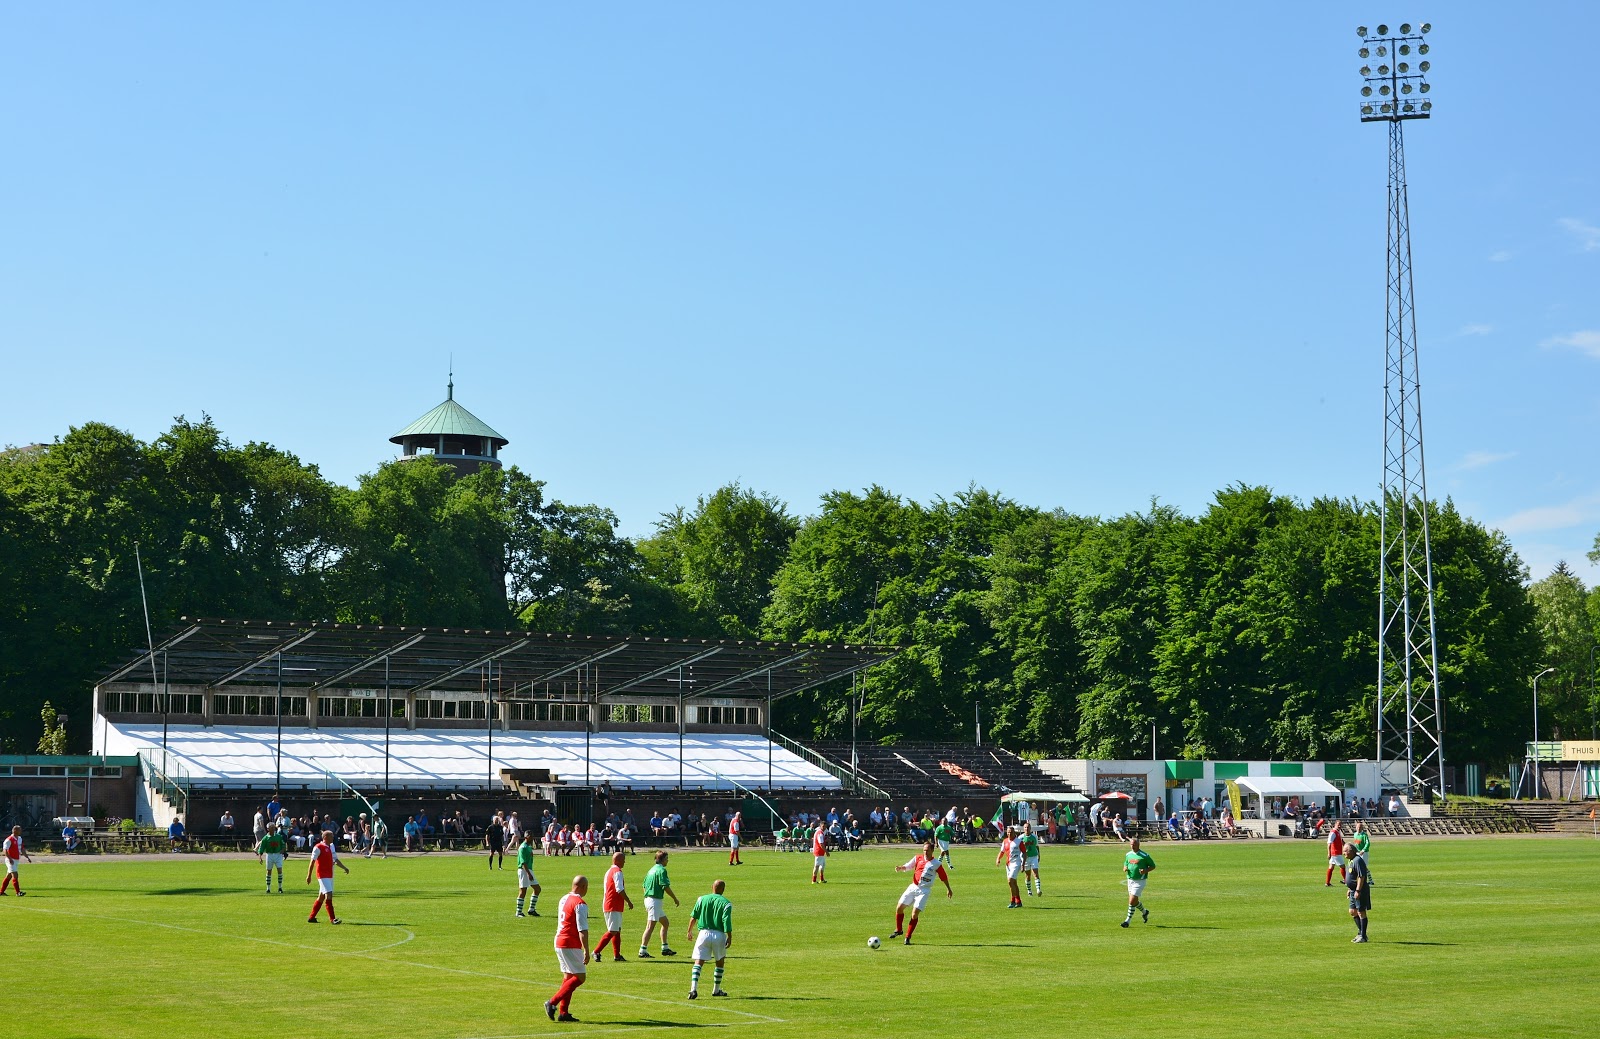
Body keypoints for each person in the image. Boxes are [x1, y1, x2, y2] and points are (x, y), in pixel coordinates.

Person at [545, 876, 591, 1023]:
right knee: (580, 977)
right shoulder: (580, 904)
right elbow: (582, 929)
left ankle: (563, 1013)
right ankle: (552, 1002)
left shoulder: (564, 898)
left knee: (568, 977)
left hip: (559, 941)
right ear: (583, 887)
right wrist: (587, 950)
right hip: (570, 943)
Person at [891, 840, 952, 945]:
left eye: (927, 850)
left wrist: (948, 889)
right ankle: (899, 929)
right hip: (913, 887)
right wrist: (901, 868)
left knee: (914, 914)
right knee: (899, 908)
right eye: (924, 850)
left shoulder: (936, 864)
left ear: (932, 850)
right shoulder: (917, 858)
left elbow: (943, 877)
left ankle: (908, 937)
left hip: (924, 890)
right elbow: (909, 866)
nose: (925, 852)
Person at [686, 878, 734, 999]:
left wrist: (689, 930)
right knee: (720, 962)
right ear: (723, 890)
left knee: (698, 961)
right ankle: (716, 990)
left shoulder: (702, 899)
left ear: (711, 887)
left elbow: (694, 916)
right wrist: (729, 936)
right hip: (718, 934)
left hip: (703, 934)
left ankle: (693, 989)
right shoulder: (726, 903)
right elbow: (726, 921)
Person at [591, 851, 634, 960]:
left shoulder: (609, 871)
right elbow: (619, 889)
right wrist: (628, 901)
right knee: (613, 930)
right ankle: (596, 951)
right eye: (623, 860)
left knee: (616, 929)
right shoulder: (617, 872)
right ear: (618, 860)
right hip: (612, 904)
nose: (625, 862)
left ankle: (617, 955)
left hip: (610, 903)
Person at [638, 850, 680, 958]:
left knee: (665, 923)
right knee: (650, 926)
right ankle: (642, 950)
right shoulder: (662, 870)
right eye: (666, 858)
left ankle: (665, 948)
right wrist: (675, 898)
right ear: (662, 860)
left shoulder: (651, 870)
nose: (668, 861)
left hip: (650, 899)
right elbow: (665, 886)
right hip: (654, 900)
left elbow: (643, 885)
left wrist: (646, 899)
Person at [305, 828, 350, 923]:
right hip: (322, 875)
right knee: (329, 895)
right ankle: (332, 919)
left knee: (321, 896)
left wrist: (344, 867)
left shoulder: (330, 847)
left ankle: (311, 917)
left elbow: (335, 860)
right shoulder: (318, 847)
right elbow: (312, 862)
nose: (333, 838)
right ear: (325, 837)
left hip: (330, 875)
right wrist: (309, 875)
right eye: (331, 836)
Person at [1121, 838, 1156, 927]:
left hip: (1140, 881)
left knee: (1131, 901)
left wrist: (1145, 870)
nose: (1132, 846)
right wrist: (1125, 867)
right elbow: (1126, 863)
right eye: (1131, 844)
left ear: (1138, 845)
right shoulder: (1128, 854)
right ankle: (1145, 912)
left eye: (1134, 844)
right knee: (1134, 902)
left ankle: (1127, 921)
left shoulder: (1144, 856)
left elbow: (1153, 866)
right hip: (1130, 880)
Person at [1344, 842, 1372, 943]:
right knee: (1352, 911)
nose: (1343, 853)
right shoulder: (1351, 860)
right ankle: (1361, 933)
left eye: (1345, 851)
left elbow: (1361, 876)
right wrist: (1349, 888)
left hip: (1360, 890)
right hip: (1353, 890)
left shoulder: (1357, 861)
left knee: (1361, 912)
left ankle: (1363, 936)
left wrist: (1358, 890)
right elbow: (1353, 876)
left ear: (1350, 851)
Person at [516, 830, 543, 918]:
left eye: (532, 836)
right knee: (523, 891)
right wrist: (528, 873)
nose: (532, 838)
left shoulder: (529, 846)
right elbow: (523, 862)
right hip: (524, 870)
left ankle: (531, 909)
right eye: (530, 836)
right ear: (526, 837)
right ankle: (518, 912)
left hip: (529, 870)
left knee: (537, 889)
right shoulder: (522, 847)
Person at [255, 823, 288, 893]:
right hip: (269, 855)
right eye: (271, 828)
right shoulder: (265, 838)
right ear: (268, 829)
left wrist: (283, 850)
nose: (273, 829)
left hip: (278, 855)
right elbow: (261, 848)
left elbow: (283, 844)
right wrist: (260, 857)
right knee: (269, 871)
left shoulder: (278, 836)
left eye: (273, 827)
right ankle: (268, 888)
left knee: (279, 870)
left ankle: (280, 887)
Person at [996, 826, 1024, 908]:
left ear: (1014, 832)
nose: (1009, 834)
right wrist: (998, 859)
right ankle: (1018, 901)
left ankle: (1012, 901)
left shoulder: (1019, 842)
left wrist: (1023, 863)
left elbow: (1024, 852)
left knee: (1010, 880)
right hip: (1008, 864)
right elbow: (1002, 851)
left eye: (1011, 832)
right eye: (1008, 832)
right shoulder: (1005, 841)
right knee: (1013, 883)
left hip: (1016, 863)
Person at [1, 826, 33, 895]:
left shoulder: (20, 839)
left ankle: (1, 892)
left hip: (16, 859)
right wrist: (9, 859)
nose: (21, 831)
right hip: (10, 860)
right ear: (15, 830)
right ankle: (18, 892)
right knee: (15, 874)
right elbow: (5, 850)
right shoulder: (9, 839)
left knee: (8, 876)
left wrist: (27, 857)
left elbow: (22, 849)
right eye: (19, 830)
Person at [1019, 822, 1043, 896]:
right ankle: (1029, 891)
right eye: (1025, 827)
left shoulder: (1034, 836)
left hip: (1033, 856)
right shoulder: (1021, 838)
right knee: (1027, 875)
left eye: (1028, 827)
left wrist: (1039, 855)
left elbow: (1036, 846)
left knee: (1035, 873)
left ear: (1030, 828)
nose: (1027, 829)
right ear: (1023, 829)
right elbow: (1018, 849)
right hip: (1025, 858)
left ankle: (1038, 890)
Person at [1325, 820, 1347, 887]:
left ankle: (1327, 883)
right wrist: (1329, 853)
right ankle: (1346, 880)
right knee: (1342, 866)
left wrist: (1346, 846)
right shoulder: (1333, 832)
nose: (1340, 826)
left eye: (1340, 825)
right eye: (1338, 825)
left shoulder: (1337, 832)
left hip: (1335, 853)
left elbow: (1341, 841)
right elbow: (1329, 843)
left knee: (1331, 867)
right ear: (1335, 825)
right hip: (1336, 853)